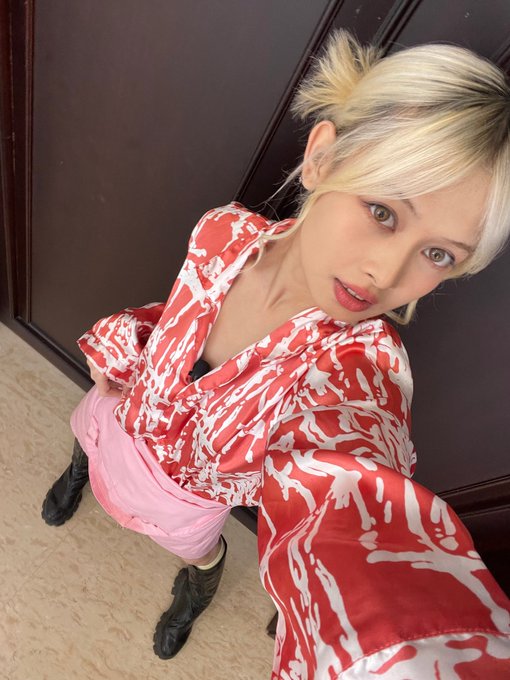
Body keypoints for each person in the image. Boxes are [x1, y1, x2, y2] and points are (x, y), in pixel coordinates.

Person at [42, 30, 510, 678]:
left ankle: (198, 585)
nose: (386, 273)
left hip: (186, 502)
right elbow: (172, 316)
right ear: (322, 159)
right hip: (116, 419)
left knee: (194, 549)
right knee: (87, 443)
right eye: (382, 211)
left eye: (438, 254)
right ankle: (79, 472)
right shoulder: (223, 232)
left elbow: (356, 492)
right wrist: (123, 339)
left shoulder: (353, 369)